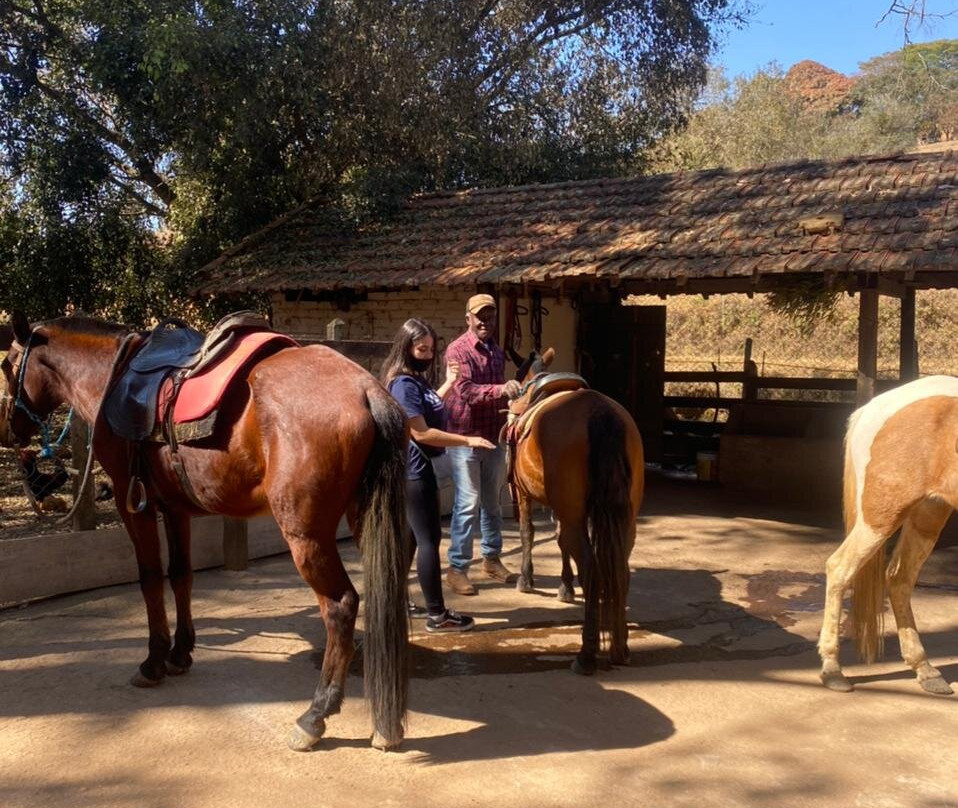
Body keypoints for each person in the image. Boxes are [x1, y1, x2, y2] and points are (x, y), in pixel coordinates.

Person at [381, 318, 495, 633]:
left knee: (409, 541)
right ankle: (437, 615)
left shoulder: (415, 382)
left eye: (431, 348)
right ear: (406, 348)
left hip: (418, 470)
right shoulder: (403, 384)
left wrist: (447, 382)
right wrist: (467, 440)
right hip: (415, 472)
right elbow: (422, 434)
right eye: (421, 348)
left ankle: (396, 600)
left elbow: (430, 406)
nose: (428, 354)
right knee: (429, 539)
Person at [442, 294, 522, 596]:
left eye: (489, 315)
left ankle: (491, 558)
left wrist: (512, 399)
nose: (485, 320)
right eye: (479, 315)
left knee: (492, 502)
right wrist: (502, 389)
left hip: (492, 436)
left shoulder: (497, 353)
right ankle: (457, 568)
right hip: (464, 438)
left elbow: (496, 394)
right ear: (468, 319)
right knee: (467, 503)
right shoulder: (457, 351)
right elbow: (466, 391)